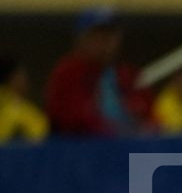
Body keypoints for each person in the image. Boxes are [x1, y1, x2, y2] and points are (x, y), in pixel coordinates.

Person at [44, 8, 153, 137]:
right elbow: (72, 118)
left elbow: (148, 113)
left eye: (110, 35)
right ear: (81, 39)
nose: (105, 42)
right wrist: (114, 130)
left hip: (128, 148)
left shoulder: (129, 74)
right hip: (81, 150)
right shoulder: (67, 73)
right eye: (97, 35)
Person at [0, 58, 50, 143]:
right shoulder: (19, 109)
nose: (27, 80)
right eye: (23, 75)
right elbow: (39, 133)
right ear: (14, 79)